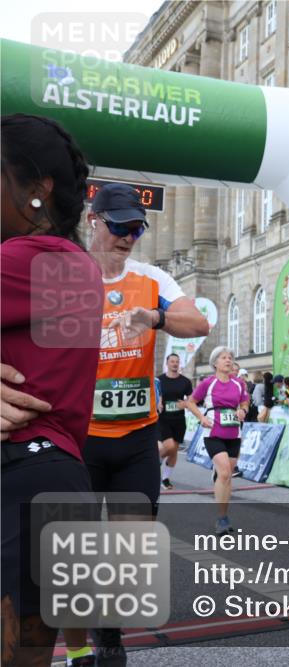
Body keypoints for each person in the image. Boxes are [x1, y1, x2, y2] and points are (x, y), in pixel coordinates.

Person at [84, 182, 210, 663]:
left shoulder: (152, 277)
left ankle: (109, 637)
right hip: (81, 438)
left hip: (137, 436)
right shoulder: (67, 276)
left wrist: (153, 318)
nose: (128, 236)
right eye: (119, 226)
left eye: (136, 228)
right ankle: (84, 646)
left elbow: (198, 324)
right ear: (93, 221)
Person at [1, 114, 105, 667]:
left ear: (37, 190)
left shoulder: (26, 260)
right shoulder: (72, 263)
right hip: (54, 474)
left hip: (20, 474)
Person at [186, 347, 249, 535]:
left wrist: (243, 411)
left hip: (234, 434)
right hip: (213, 432)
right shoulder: (208, 383)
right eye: (224, 358)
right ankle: (221, 519)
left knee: (227, 476)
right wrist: (201, 417)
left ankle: (224, 514)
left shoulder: (239, 383)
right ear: (215, 363)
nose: (228, 360)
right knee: (224, 473)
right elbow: (190, 402)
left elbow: (245, 403)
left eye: (230, 357)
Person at [157, 353, 193, 490]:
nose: (175, 364)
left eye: (177, 361)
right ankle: (155, 462)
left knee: (174, 451)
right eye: (172, 361)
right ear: (167, 363)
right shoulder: (159, 380)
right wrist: (158, 403)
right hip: (163, 419)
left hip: (179, 420)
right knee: (170, 446)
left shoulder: (185, 382)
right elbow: (154, 395)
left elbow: (192, 399)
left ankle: (165, 478)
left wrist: (186, 403)